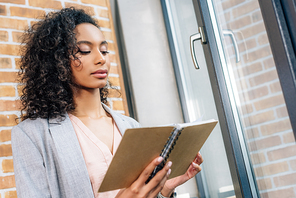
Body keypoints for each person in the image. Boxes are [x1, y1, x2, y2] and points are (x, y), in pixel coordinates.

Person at [11, 7, 203, 198]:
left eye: (104, 50)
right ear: (57, 60)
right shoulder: (31, 135)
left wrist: (163, 189)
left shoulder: (130, 126)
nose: (100, 58)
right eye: (84, 50)